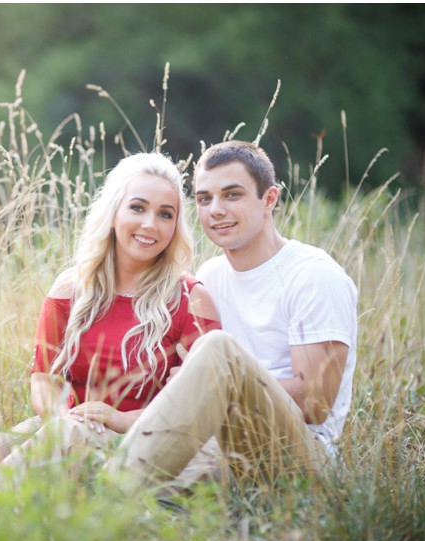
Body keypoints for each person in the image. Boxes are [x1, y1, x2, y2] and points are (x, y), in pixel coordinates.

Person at [0, 153, 222, 491]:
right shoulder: (71, 288)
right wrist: (63, 420)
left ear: (175, 227)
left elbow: (198, 411)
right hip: (74, 429)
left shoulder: (190, 299)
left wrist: (118, 420)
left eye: (165, 214)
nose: (150, 224)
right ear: (113, 213)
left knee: (23, 462)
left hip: (153, 446)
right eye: (137, 208)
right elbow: (44, 382)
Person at [104, 140, 358, 490]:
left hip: (300, 463)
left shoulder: (314, 275)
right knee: (83, 446)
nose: (215, 210)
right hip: (219, 448)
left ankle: (108, 499)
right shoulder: (209, 278)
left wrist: (211, 381)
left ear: (269, 199)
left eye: (232, 195)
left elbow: (315, 403)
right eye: (205, 199)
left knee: (218, 350)